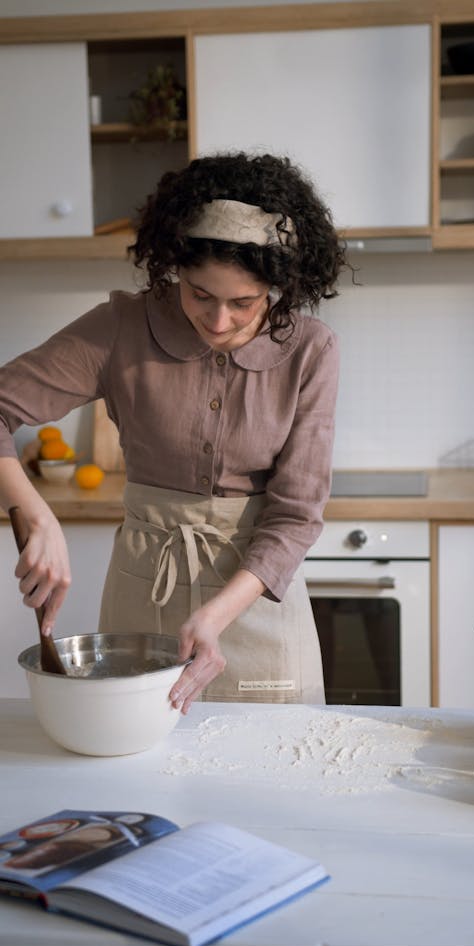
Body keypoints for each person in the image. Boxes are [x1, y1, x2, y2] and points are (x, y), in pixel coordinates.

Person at [0, 151, 346, 714]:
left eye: (244, 303)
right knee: (143, 772)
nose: (217, 321)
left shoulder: (310, 349)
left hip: (255, 600)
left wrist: (215, 615)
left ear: (278, 288)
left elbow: (296, 514)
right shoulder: (121, 328)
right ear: (174, 269)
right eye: (199, 294)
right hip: (143, 599)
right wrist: (36, 514)